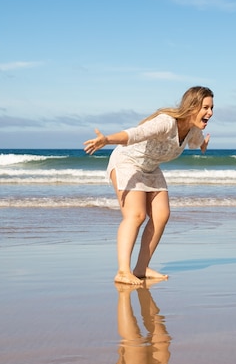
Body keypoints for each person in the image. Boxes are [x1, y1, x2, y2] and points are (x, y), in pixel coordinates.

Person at [83, 86, 214, 285]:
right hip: (127, 161)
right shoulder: (166, 122)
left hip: (150, 167)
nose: (210, 113)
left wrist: (202, 146)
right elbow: (136, 134)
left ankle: (141, 268)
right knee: (136, 215)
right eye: (205, 107)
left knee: (162, 215)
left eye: (211, 108)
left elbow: (194, 142)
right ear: (193, 106)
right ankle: (123, 271)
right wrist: (107, 140)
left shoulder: (192, 130)